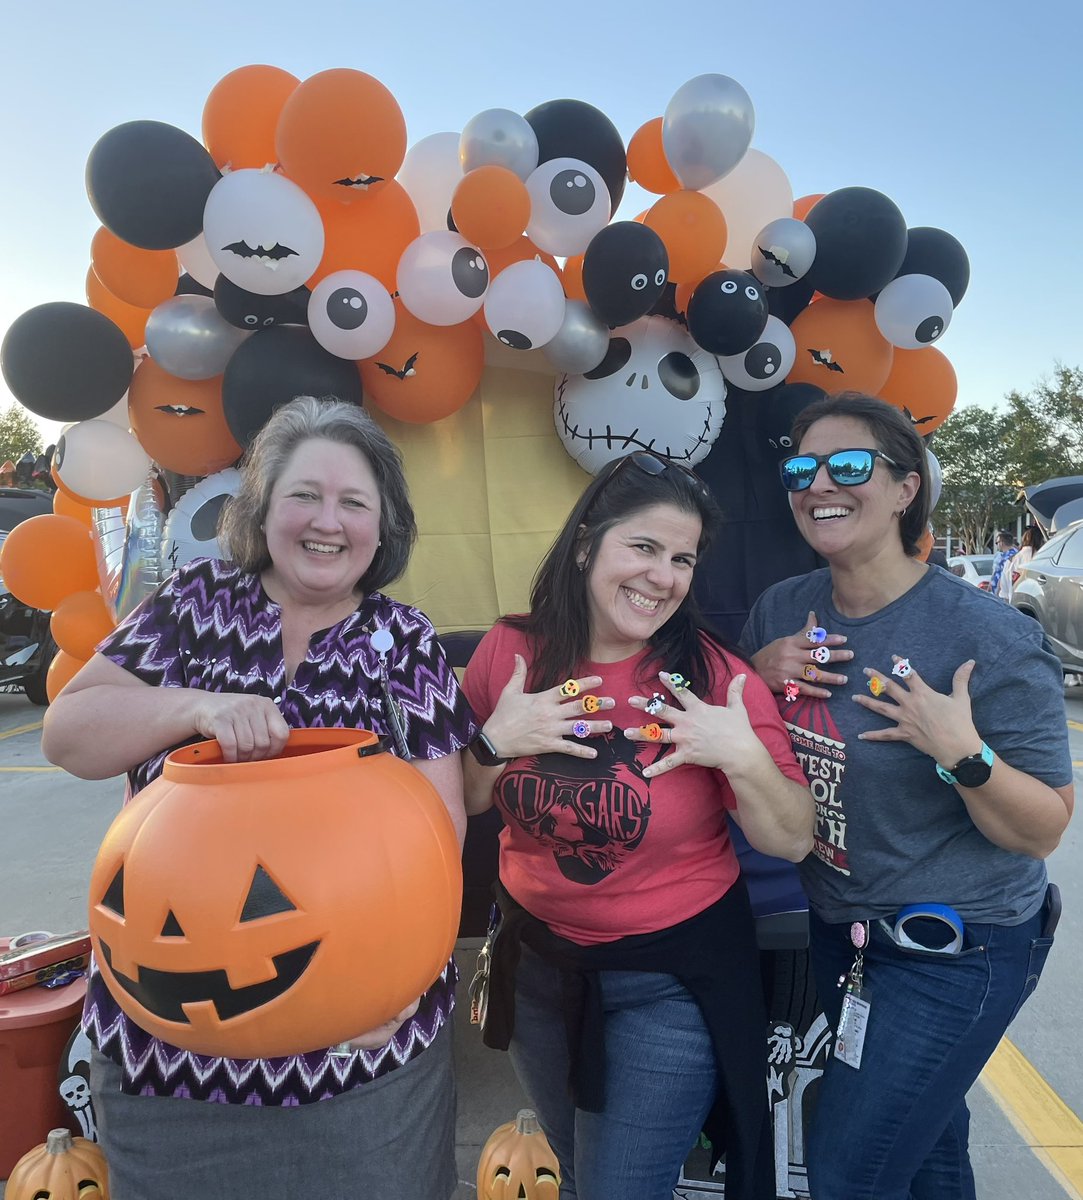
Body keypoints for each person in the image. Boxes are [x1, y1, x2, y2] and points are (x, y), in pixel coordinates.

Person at [41, 396, 477, 1200]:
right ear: (263, 508)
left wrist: (397, 978)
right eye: (303, 495)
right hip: (174, 1043)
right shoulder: (191, 605)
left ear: (384, 528)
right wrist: (192, 708)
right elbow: (68, 734)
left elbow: (437, 825)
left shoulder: (403, 641)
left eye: (354, 502)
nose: (327, 521)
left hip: (360, 1055)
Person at [741, 392, 1074, 1200]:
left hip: (959, 948)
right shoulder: (783, 611)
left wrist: (961, 753)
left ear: (903, 490)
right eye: (800, 468)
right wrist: (755, 675)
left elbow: (1043, 830)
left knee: (848, 1171)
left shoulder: (983, 638)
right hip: (841, 933)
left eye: (850, 464)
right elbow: (745, 740)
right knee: (924, 1152)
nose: (819, 482)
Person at [460, 450, 813, 1200]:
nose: (662, 576)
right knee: (581, 1171)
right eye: (643, 547)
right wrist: (496, 742)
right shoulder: (509, 651)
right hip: (537, 967)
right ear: (586, 540)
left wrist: (740, 757)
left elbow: (790, 838)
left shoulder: (716, 679)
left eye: (681, 559)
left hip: (669, 978)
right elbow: (466, 799)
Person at [1006, 523, 1046, 600]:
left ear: (1024, 538)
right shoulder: (1043, 557)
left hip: (1015, 600)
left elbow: (1004, 585)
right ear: (1040, 539)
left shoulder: (1013, 558)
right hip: (1037, 599)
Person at [990, 527, 1018, 599]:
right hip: (998, 592)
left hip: (1003, 593)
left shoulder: (1010, 557)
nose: (997, 545)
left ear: (1002, 542)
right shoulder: (1001, 555)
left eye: (997, 542)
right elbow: (995, 573)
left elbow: (1003, 575)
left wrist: (997, 592)